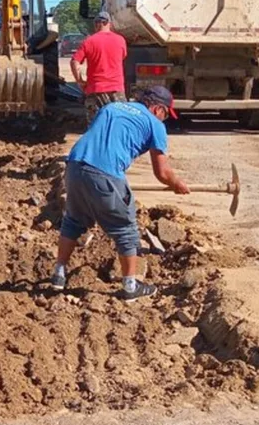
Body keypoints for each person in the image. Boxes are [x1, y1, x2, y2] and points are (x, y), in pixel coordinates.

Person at [51, 86, 190, 301]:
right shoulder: (155, 125)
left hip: (75, 165)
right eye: (165, 115)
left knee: (73, 220)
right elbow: (162, 172)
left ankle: (59, 273)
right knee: (126, 228)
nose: (164, 120)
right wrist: (177, 183)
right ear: (157, 109)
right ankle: (130, 286)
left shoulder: (112, 107)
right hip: (105, 172)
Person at [71, 10, 128, 124]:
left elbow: (74, 62)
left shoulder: (89, 41)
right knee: (118, 124)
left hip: (95, 90)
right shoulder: (120, 40)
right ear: (109, 23)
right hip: (116, 89)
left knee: (95, 126)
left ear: (96, 24)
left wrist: (80, 81)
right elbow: (123, 57)